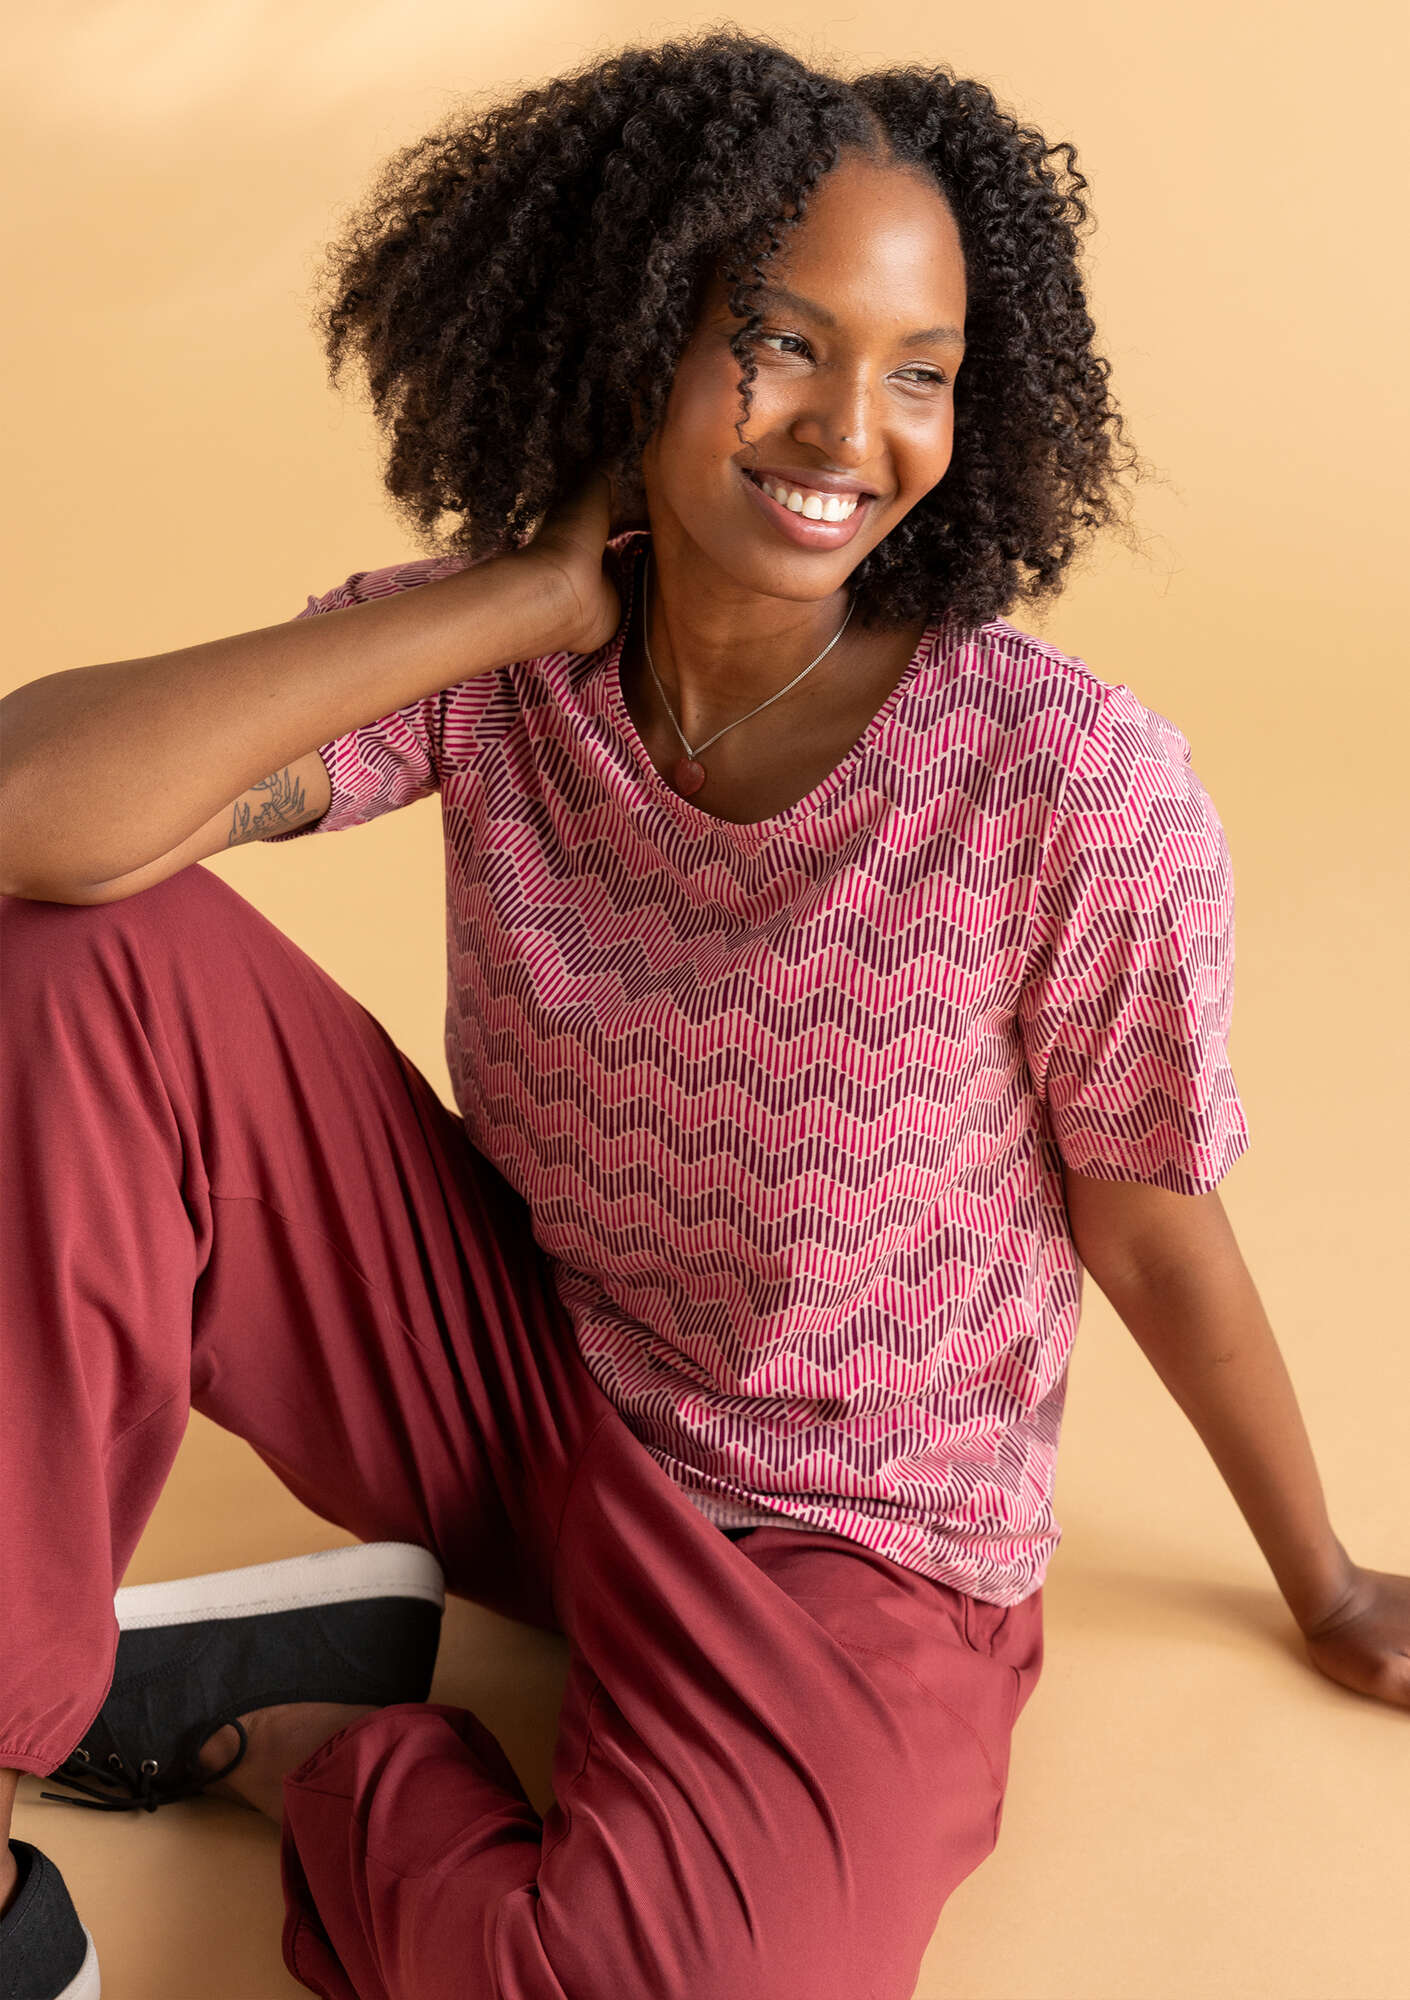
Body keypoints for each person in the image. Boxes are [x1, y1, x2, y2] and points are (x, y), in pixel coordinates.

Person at [2, 26, 1406, 2000]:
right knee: (60, 957)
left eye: (918, 372)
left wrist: (1323, 1578)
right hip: (519, 1391)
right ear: (633, 340)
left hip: (853, 1538)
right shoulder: (493, 666)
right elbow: (30, 820)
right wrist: (523, 600)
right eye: (778, 343)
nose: (850, 428)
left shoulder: (1067, 789)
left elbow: (1153, 1228)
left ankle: (300, 1734)